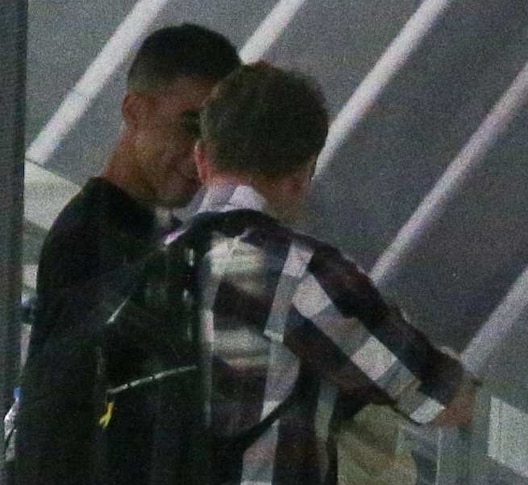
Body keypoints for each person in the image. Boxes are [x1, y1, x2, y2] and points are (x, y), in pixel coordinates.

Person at [166, 62, 478, 484]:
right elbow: (441, 398)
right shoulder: (297, 276)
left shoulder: (145, 267)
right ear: (301, 176)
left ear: (202, 159)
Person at [16, 24, 240, 484]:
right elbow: (58, 414)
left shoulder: (150, 239)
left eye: (217, 137)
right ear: (135, 110)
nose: (202, 154)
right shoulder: (92, 240)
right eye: (190, 126)